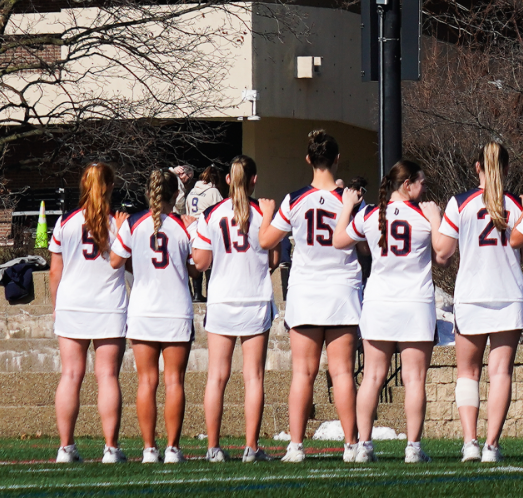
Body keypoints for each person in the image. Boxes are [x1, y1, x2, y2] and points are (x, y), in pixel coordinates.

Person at [257, 130, 363, 463]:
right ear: (337, 158)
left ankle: (296, 447)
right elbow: (362, 244)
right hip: (342, 290)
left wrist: (264, 215)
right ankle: (351, 445)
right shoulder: (350, 199)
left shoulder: (294, 200)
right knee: (343, 372)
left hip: (305, 290)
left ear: (308, 160)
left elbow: (266, 241)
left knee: (302, 372)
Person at [336, 159, 448, 464]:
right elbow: (443, 255)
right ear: (407, 184)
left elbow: (339, 240)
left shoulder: (372, 214)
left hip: (378, 303)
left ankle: (364, 446)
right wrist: (436, 218)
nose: (424, 188)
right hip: (415, 304)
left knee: (371, 376)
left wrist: (348, 205)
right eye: (421, 182)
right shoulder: (423, 215)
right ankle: (412, 447)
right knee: (414, 379)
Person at [435, 139, 523, 463]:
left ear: (477, 167)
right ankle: (492, 445)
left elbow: (443, 254)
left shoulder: (459, 203)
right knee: (501, 371)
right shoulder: (516, 206)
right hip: (508, 294)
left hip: (472, 295)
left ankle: (470, 443)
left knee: (468, 372)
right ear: (506, 169)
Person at [189, 155, 277, 462]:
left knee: (217, 376)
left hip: (223, 299)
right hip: (254, 298)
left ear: (227, 179)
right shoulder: (262, 211)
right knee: (253, 377)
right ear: (253, 180)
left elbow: (200, 262)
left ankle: (213, 448)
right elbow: (274, 260)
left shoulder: (212, 214)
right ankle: (251, 447)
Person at [111, 168, 195, 463]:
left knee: (146, 381)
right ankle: (172, 449)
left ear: (149, 194)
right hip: (176, 310)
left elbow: (115, 261)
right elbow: (196, 267)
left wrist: (141, 266)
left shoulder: (133, 223)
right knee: (174, 381)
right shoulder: (185, 226)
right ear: (175, 195)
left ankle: (149, 449)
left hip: (144, 309)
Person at [50, 162, 129, 464]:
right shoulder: (119, 223)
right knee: (107, 376)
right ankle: (110, 448)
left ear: (83, 185)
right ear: (109, 186)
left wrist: (57, 306)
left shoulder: (65, 222)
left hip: (72, 304)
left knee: (70, 375)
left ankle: (65, 448)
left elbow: (55, 271)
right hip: (108, 305)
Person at [183, 165, 223, 302]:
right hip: (205, 226)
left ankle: (196, 294)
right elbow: (220, 210)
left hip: (191, 226)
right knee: (208, 261)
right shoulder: (213, 192)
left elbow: (187, 209)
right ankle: (211, 293)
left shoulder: (192, 191)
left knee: (195, 259)